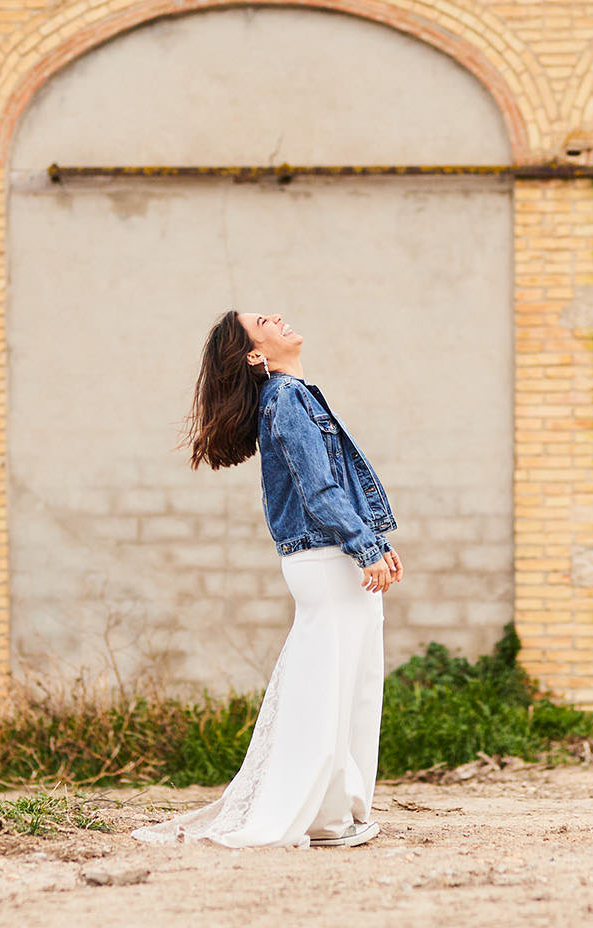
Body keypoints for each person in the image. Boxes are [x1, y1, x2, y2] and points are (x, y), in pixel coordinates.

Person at [133, 310, 403, 850]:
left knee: (344, 685)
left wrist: (377, 541)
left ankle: (335, 813)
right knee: (331, 688)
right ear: (256, 356)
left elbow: (334, 485)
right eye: (263, 321)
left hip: (331, 556)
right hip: (327, 559)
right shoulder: (287, 399)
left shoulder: (294, 395)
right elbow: (319, 489)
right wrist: (365, 546)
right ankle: (323, 818)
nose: (277, 317)